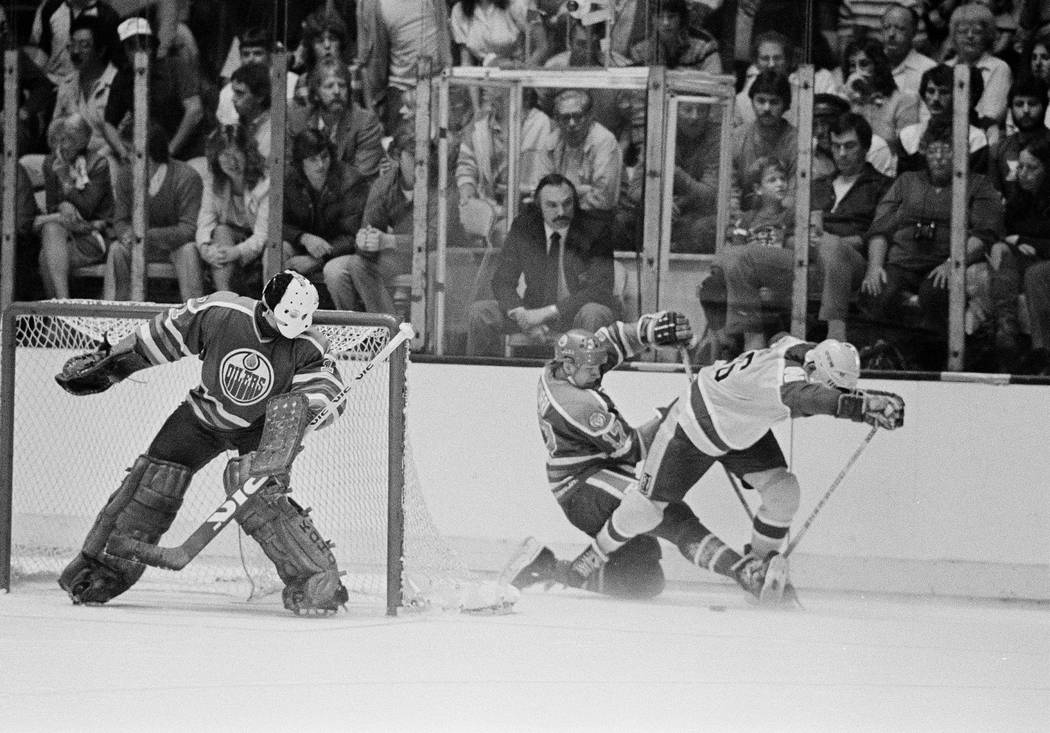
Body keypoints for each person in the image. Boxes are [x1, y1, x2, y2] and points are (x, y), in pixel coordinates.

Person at [56, 271, 353, 615]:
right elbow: (161, 336)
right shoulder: (222, 312)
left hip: (259, 429)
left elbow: (326, 389)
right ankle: (102, 570)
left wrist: (309, 409)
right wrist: (116, 363)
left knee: (258, 495)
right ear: (268, 305)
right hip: (202, 416)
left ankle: (316, 581)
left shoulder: (310, 343)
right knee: (152, 484)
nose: (293, 327)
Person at [553, 334, 906, 605]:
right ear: (813, 372)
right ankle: (594, 558)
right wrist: (861, 408)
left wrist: (863, 396)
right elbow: (810, 397)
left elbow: (787, 347)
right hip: (694, 426)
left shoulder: (802, 351)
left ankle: (759, 567)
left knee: (784, 491)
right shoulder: (788, 382)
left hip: (741, 425)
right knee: (644, 510)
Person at [502, 314, 789, 602]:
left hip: (598, 470)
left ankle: (548, 566)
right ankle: (746, 573)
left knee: (644, 581)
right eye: (591, 369)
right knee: (667, 513)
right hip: (583, 487)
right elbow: (633, 449)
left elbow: (613, 338)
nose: (598, 372)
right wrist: (671, 416)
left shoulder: (565, 369)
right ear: (568, 366)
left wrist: (651, 329)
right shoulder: (579, 407)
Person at [861, 117, 1003, 369]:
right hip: (901, 262)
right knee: (878, 290)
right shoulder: (906, 181)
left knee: (935, 293)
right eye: (933, 149)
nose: (939, 157)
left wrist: (953, 263)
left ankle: (939, 363)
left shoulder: (978, 185)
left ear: (962, 153)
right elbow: (880, 228)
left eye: (947, 150)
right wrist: (874, 266)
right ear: (924, 151)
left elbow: (984, 235)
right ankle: (885, 358)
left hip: (944, 263)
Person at [466, 174, 620, 356]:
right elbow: (502, 280)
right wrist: (522, 316)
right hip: (532, 311)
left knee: (593, 312)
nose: (561, 212)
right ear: (539, 207)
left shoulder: (595, 229)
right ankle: (480, 380)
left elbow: (599, 290)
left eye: (567, 203)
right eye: (552, 205)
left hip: (577, 314)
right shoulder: (525, 227)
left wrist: (545, 314)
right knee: (481, 313)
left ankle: (586, 378)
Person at [811, 112, 894, 341]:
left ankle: (835, 337)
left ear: (866, 147)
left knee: (832, 248)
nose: (842, 154)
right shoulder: (817, 185)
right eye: (836, 146)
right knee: (743, 257)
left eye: (850, 146)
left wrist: (827, 242)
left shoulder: (883, 186)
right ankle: (740, 343)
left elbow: (875, 235)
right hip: (808, 258)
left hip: (853, 261)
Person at [103, 17, 207, 163]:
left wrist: (170, 150)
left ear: (152, 47)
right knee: (105, 158)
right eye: (132, 47)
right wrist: (123, 152)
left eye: (144, 45)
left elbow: (195, 110)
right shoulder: (122, 78)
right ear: (125, 51)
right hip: (147, 157)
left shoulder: (175, 67)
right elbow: (109, 124)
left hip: (188, 153)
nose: (139, 52)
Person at [35, 114, 114, 299]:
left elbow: (87, 209)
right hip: (66, 230)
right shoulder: (50, 162)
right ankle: (63, 308)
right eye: (55, 140)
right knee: (51, 228)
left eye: (66, 140)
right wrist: (63, 205)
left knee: (45, 258)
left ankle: (59, 316)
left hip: (94, 234)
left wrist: (65, 181)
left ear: (81, 142)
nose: (59, 147)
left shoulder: (98, 164)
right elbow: (52, 206)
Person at [989, 138, 1050, 372]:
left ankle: (1043, 351)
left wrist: (1025, 241)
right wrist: (1007, 242)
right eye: (1020, 167)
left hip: (1041, 263)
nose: (1023, 174)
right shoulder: (1019, 199)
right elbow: (1008, 233)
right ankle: (1006, 330)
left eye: (1031, 168)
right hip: (1030, 257)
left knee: (1036, 274)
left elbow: (1024, 237)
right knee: (1001, 252)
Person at [287, 57, 384, 191]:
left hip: (350, 200)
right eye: (329, 86)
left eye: (342, 85)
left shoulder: (365, 122)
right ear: (315, 94)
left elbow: (361, 177)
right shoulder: (298, 120)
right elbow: (290, 170)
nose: (337, 91)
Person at [281, 128, 366, 280]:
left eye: (324, 157)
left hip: (338, 251)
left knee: (334, 273)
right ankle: (272, 301)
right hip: (303, 245)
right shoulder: (289, 179)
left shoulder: (351, 181)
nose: (320, 165)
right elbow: (277, 224)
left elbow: (353, 235)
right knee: (276, 251)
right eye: (312, 159)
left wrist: (318, 259)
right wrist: (303, 237)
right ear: (300, 163)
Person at [195, 125, 270, 294]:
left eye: (237, 153)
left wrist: (235, 252)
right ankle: (225, 297)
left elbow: (263, 235)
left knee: (223, 237)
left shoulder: (265, 183)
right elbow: (205, 221)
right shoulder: (213, 181)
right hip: (227, 244)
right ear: (216, 158)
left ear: (248, 154)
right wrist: (206, 249)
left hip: (257, 248)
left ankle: (226, 301)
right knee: (220, 231)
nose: (232, 162)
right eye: (225, 155)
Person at [544, 89, 623, 216]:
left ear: (590, 116)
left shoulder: (604, 141)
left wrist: (562, 197)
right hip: (558, 217)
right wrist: (581, 191)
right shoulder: (551, 142)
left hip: (597, 220)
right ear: (557, 120)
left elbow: (603, 199)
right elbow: (543, 192)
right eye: (565, 118)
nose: (571, 123)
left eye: (577, 116)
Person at [839, 37, 920, 159]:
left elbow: (906, 150)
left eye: (864, 64)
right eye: (852, 65)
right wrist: (847, 102)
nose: (857, 71)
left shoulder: (904, 101)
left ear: (878, 65)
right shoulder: (845, 100)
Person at [215, 27, 299, 127]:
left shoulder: (291, 82)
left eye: (257, 53)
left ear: (269, 55)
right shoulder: (228, 92)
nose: (251, 59)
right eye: (246, 54)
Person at [990, 75, 1050, 197]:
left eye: (1032, 104)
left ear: (1044, 106)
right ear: (1010, 108)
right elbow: (995, 200)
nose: (1026, 110)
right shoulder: (998, 150)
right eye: (1019, 104)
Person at [450, 0, 548, 67]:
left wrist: (524, 72)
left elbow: (543, 46)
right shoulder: (457, 11)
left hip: (520, 75)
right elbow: (466, 63)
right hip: (486, 80)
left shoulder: (524, 3)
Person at [881, 3, 938, 98]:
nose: (891, 34)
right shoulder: (869, 63)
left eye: (900, 29)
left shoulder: (928, 69)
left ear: (914, 32)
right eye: (886, 28)